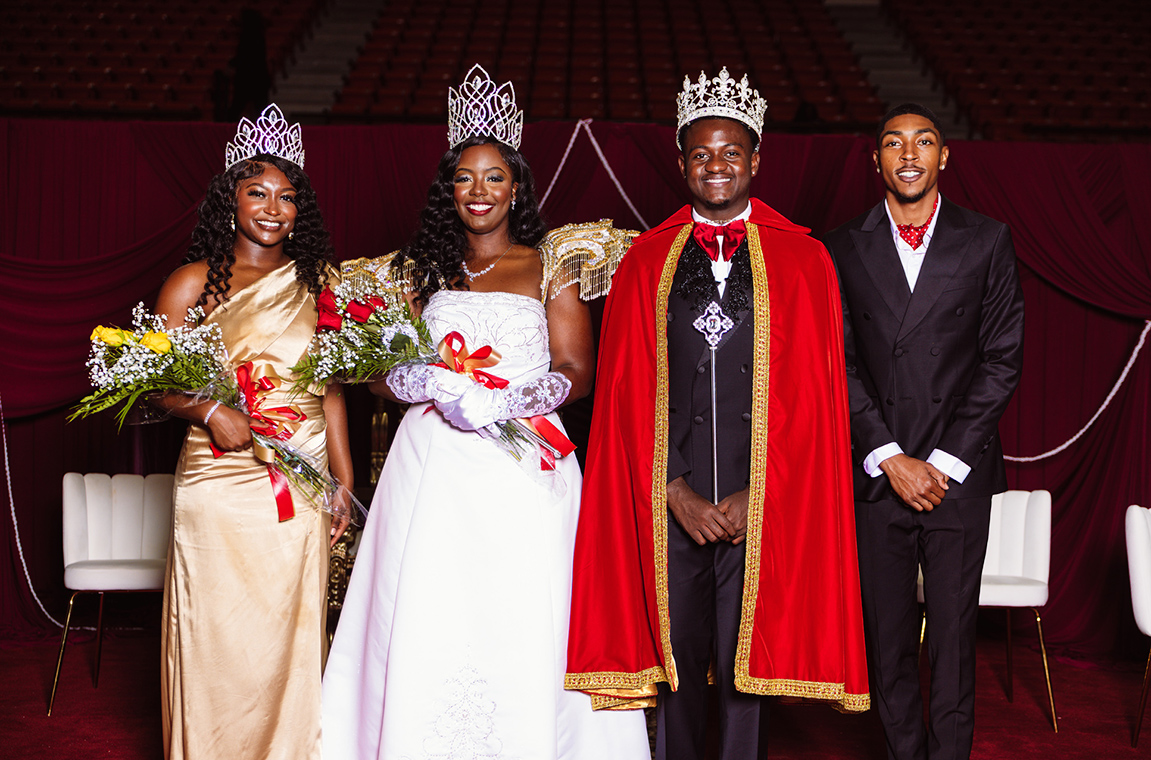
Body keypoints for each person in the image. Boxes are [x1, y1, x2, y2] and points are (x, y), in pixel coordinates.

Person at [321, 65, 649, 760]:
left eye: (494, 177)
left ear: (517, 188)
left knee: (521, 599)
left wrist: (502, 399)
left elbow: (576, 371)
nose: (478, 191)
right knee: (432, 600)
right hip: (432, 462)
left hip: (522, 457)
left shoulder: (548, 265)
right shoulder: (420, 271)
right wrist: (423, 381)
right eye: (465, 178)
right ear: (448, 190)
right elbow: (379, 373)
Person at [565, 67, 870, 760]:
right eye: (700, 153)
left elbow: (816, 403)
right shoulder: (644, 261)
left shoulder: (806, 260)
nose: (715, 166)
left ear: (756, 159)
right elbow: (621, 394)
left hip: (757, 498)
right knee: (674, 663)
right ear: (680, 162)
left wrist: (753, 494)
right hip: (667, 497)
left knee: (744, 668)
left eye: (730, 152)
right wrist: (672, 490)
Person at [822, 103, 1025, 760]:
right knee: (886, 642)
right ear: (874, 159)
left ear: (944, 157)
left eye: (923, 141)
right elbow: (836, 361)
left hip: (955, 478)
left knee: (952, 642)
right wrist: (888, 457)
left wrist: (940, 462)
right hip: (878, 474)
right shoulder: (839, 244)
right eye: (891, 142)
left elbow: (1001, 359)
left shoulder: (987, 238)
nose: (907, 153)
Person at [154, 104, 352, 760]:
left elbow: (328, 388)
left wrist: (345, 480)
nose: (273, 209)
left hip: (298, 475)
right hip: (217, 479)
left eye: (287, 197)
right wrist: (210, 412)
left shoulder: (320, 284)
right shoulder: (189, 284)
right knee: (215, 633)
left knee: (287, 632)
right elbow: (151, 382)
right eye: (257, 193)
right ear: (229, 199)